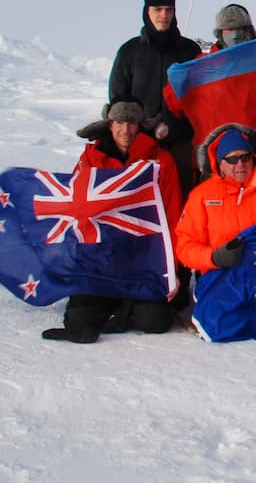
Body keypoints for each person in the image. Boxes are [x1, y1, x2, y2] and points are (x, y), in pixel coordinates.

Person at [41, 98, 185, 343]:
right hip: (102, 255)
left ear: (140, 126)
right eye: (119, 122)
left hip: (145, 255)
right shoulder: (91, 158)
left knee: (155, 321)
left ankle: (120, 310)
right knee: (80, 322)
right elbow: (78, 208)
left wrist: (172, 268)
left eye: (131, 123)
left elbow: (172, 213)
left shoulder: (161, 160)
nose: (125, 130)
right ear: (110, 125)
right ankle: (112, 306)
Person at [174, 125, 256, 275]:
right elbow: (185, 247)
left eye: (245, 157)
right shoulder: (201, 196)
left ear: (253, 158)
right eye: (232, 159)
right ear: (220, 164)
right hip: (222, 281)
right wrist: (214, 257)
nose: (240, 164)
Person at [108, 0, 202, 182]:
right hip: (141, 143)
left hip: (182, 143)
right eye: (157, 9)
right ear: (147, 12)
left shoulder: (190, 51)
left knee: (181, 196)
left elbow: (202, 97)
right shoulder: (129, 51)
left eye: (169, 10)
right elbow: (118, 99)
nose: (164, 15)